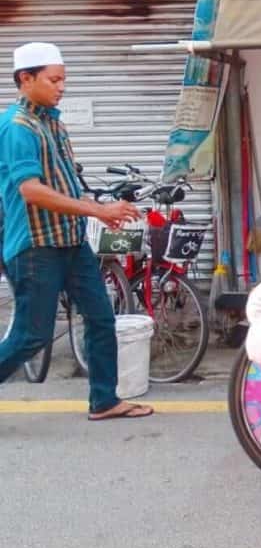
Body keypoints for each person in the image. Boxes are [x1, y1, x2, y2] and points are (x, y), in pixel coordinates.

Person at [0, 42, 152, 420]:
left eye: (64, 79)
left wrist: (100, 211)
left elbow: (66, 185)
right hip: (36, 246)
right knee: (31, 336)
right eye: (54, 80)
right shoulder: (18, 127)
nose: (61, 86)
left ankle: (104, 400)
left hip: (70, 241)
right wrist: (98, 210)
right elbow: (31, 189)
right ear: (25, 78)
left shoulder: (53, 123)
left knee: (101, 318)